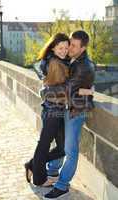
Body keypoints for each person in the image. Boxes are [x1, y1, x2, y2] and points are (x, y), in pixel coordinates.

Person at [44, 30, 95, 199]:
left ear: (83, 48)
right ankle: (52, 173)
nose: (69, 48)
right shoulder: (70, 58)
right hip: (66, 107)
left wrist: (45, 89)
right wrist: (84, 90)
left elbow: (64, 90)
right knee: (60, 143)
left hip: (75, 111)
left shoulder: (84, 66)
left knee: (70, 150)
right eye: (69, 43)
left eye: (73, 45)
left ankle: (62, 185)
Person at [24, 33, 70, 186]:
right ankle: (39, 179)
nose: (64, 50)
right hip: (53, 110)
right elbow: (56, 88)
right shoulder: (55, 64)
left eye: (66, 47)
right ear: (53, 48)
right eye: (60, 48)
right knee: (45, 145)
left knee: (62, 147)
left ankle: (32, 164)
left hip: (54, 109)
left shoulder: (54, 60)